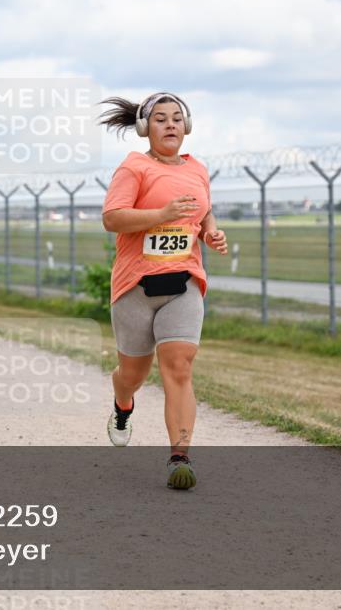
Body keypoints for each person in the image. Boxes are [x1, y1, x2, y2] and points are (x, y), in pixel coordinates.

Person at [99, 91, 228, 490]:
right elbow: (112, 218)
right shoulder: (133, 169)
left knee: (179, 366)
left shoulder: (198, 169)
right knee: (133, 376)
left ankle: (180, 457)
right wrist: (161, 215)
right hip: (135, 286)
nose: (170, 124)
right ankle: (123, 405)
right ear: (145, 128)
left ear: (186, 126)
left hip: (184, 281)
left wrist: (210, 232)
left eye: (176, 118)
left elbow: (203, 208)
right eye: (160, 119)